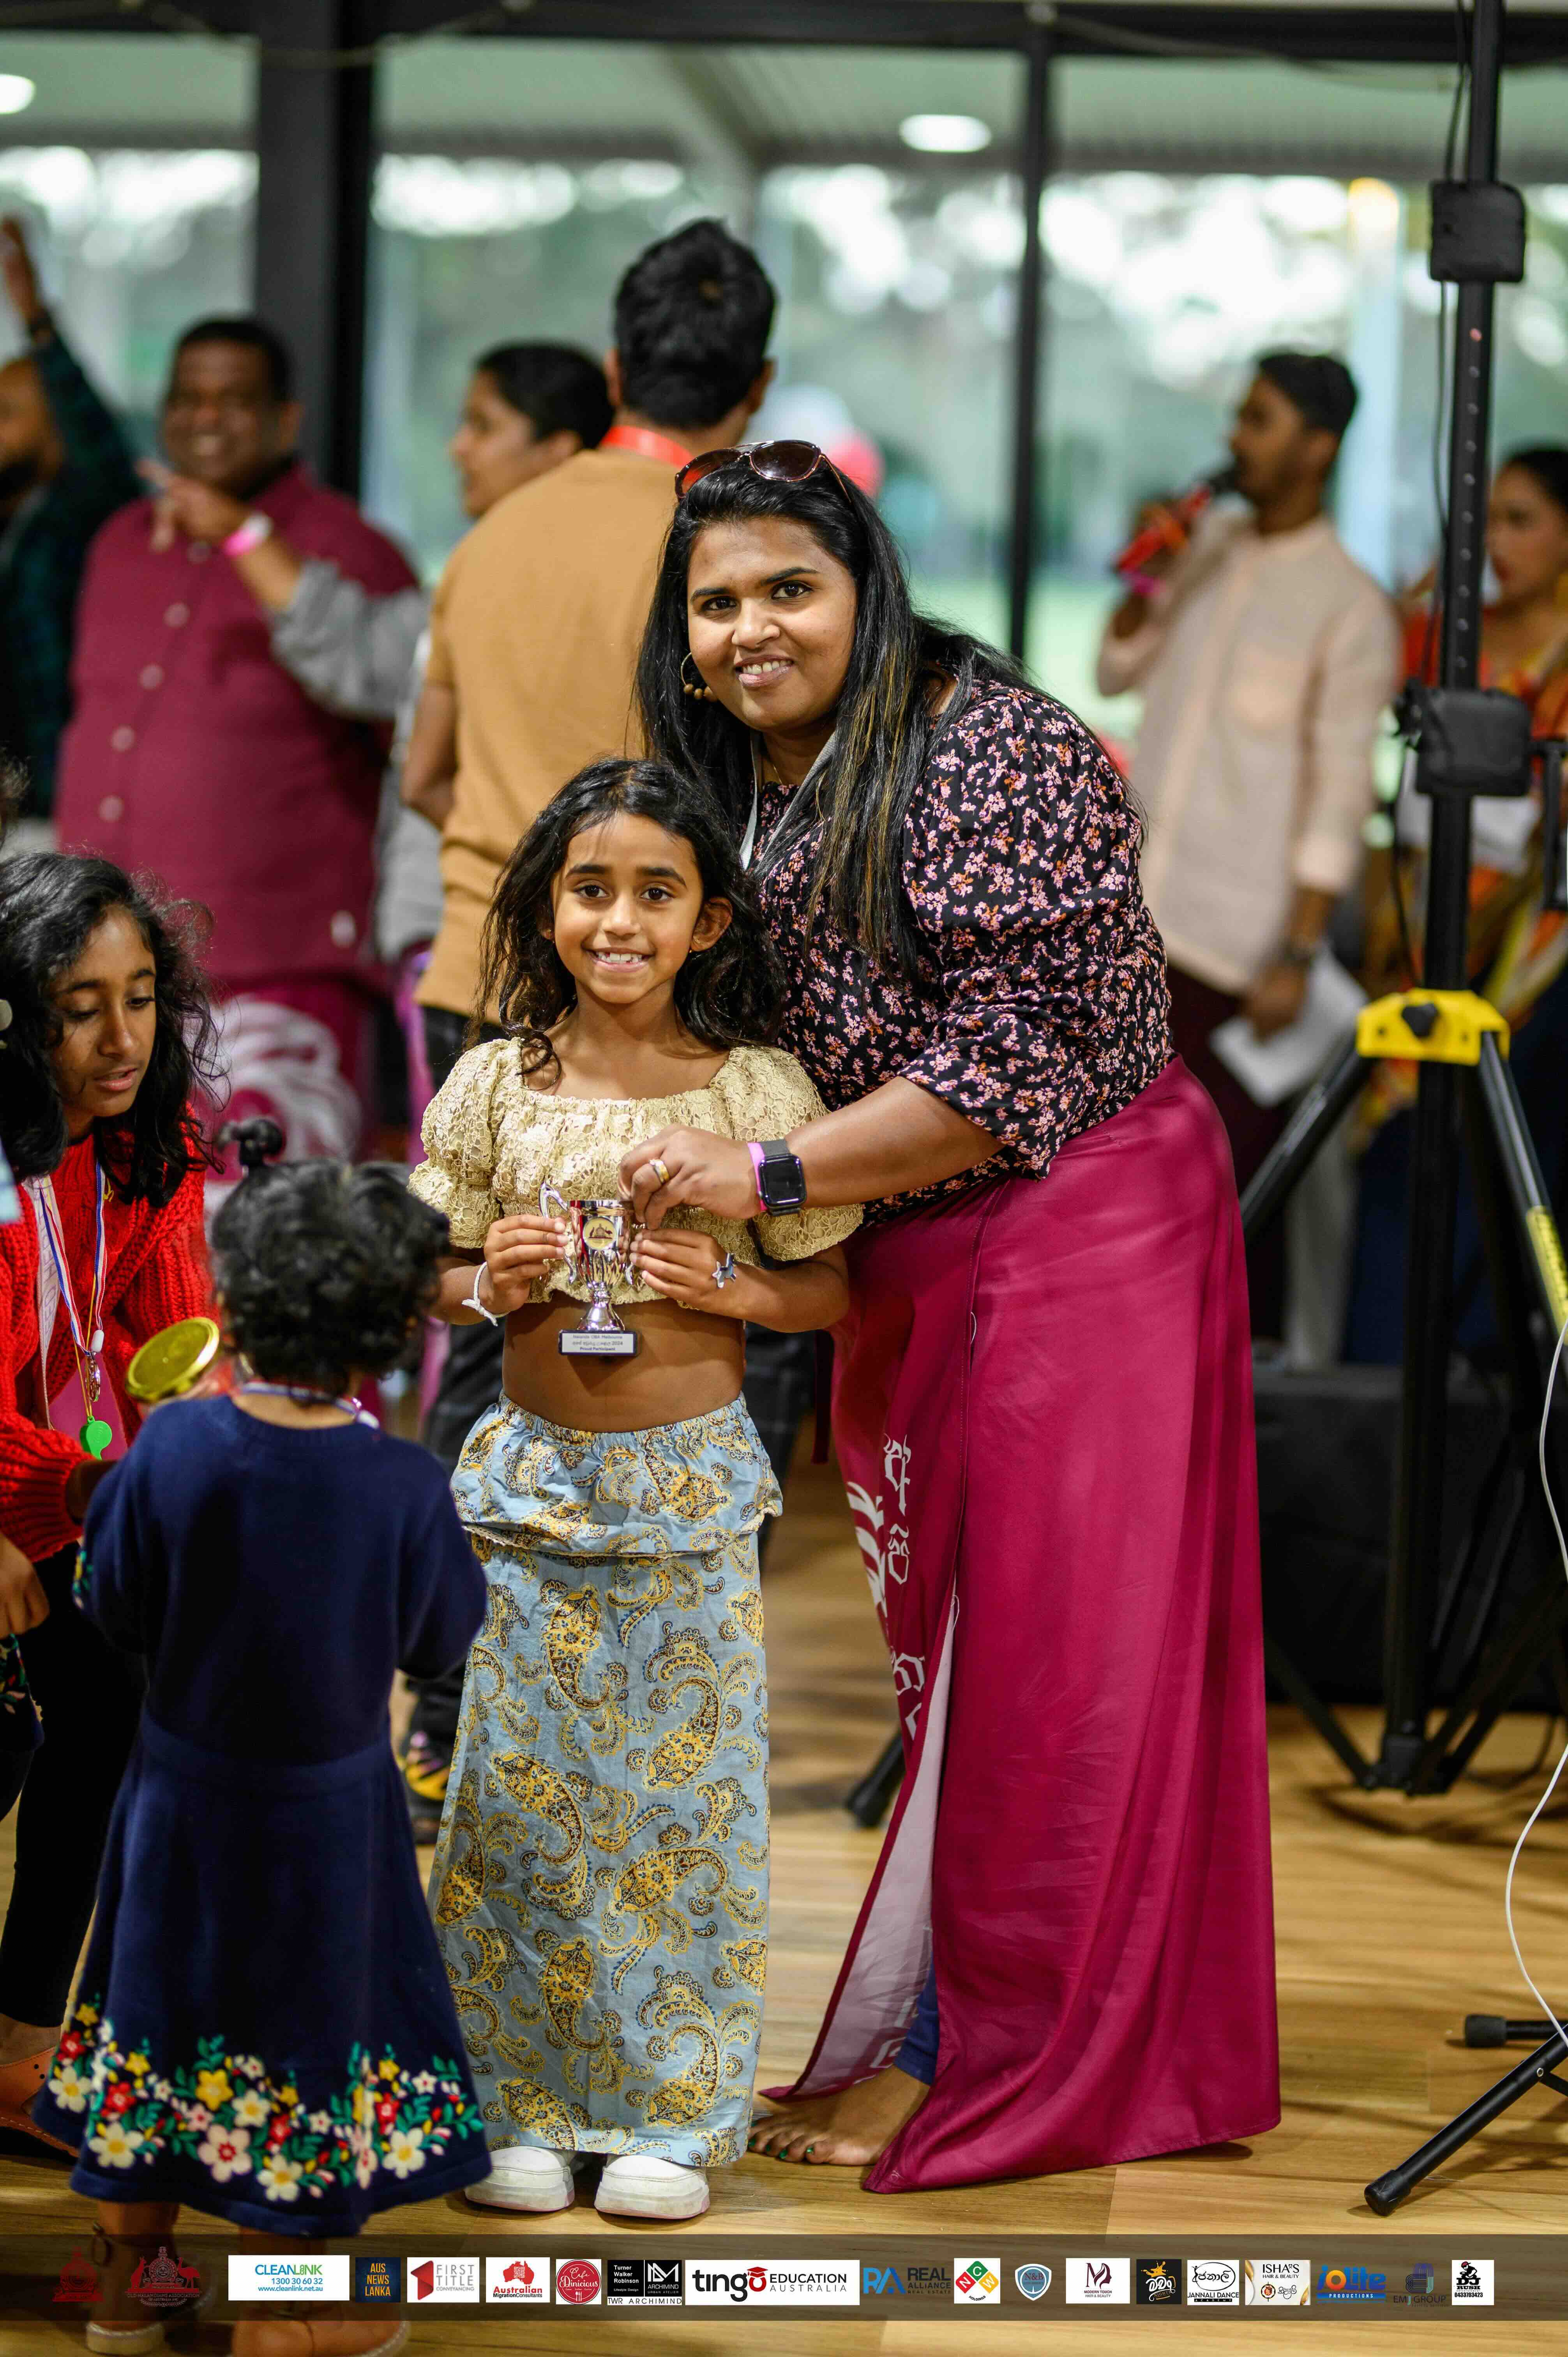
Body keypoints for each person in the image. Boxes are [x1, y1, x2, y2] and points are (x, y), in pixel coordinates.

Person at [612, 444, 1278, 2192]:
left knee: (1056, 1657)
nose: (753, 628)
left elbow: (1008, 1069)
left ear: (866, 590)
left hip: (1083, 1211)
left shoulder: (997, 751)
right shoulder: (732, 771)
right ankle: (948, 2020)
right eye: (718, 602)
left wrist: (756, 1173)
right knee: (960, 1657)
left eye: (789, 590)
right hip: (910, 1224)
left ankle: (1008, 2054)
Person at [411, 759, 858, 2224]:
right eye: (590, 888)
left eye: (654, 892)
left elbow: (830, 1284)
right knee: (515, 1807)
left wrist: (730, 1281)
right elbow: (431, 1263)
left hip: (685, 1492)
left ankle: (669, 2109)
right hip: (532, 1493)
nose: (618, 918)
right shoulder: (494, 1079)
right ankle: (519, 2101)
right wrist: (492, 1282)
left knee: (679, 1812)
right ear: (545, 909)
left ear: (710, 919)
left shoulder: (756, 1092)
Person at [31, 1161, 488, 2357]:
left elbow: (113, 1604)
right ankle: (287, 2309)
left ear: (228, 1311)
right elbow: (443, 1637)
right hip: (331, 1819)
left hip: (177, 1804)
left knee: (156, 2018)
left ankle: (133, 2288)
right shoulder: (403, 1482)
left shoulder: (171, 1448)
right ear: (394, 1336)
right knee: (304, 2035)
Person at [53, 316, 418, 1184]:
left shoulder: (348, 552)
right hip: (113, 977)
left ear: (285, 420)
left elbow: (401, 721)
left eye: (233, 401)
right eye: (187, 398)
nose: (205, 420)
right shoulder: (116, 545)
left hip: (279, 976)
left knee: (277, 1249)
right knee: (130, 1251)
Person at [1095, 351, 1400, 1334]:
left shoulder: (1351, 606)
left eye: (1258, 420)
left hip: (1236, 949)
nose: (1234, 435)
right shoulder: (1209, 545)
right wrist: (1151, 562)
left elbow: (1337, 793)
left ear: (1317, 446)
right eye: (1238, 414)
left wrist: (1299, 951)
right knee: (1112, 1189)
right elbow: (1114, 665)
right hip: (1130, 917)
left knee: (1223, 1205)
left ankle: (1244, 1426)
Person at [0, 853, 215, 2157]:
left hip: (56, 1489)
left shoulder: (149, 1142)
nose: (124, 1035)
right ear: (17, 1014)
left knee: (106, 1711)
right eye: (82, 1005)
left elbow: (172, 1340)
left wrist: (179, 1484)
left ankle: (24, 2046)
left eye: (142, 993)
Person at [1348, 445, 1568, 1362]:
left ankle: (1491, 1405)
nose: (1495, 543)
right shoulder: (1443, 636)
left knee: (1506, 1179)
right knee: (1398, 1171)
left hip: (1535, 966)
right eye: (1483, 520)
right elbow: (1369, 661)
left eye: (1520, 521)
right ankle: (1371, 1411)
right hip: (1417, 937)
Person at [0, 217, 139, 834]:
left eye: (6, 414)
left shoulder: (79, 520)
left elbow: (100, 444)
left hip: (50, 810)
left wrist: (37, 320)